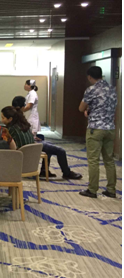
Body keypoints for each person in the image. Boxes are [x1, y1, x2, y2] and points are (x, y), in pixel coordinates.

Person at [12, 96, 81, 180]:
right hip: (30, 146)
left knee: (49, 145)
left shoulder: (16, 117)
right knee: (61, 151)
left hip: (30, 143)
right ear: (22, 107)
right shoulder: (18, 118)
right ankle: (66, 173)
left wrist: (33, 137)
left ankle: (44, 171)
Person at [78, 66, 118, 198]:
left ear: (89, 76)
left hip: (95, 128)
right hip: (110, 128)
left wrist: (88, 110)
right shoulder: (112, 89)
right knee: (109, 160)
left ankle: (92, 189)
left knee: (93, 160)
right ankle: (111, 189)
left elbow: (81, 108)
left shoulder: (91, 90)